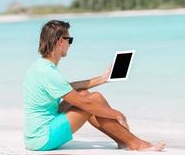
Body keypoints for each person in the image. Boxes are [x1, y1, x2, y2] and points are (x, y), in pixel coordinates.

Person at [23, 20, 165, 151]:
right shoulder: (48, 72)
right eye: (69, 40)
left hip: (36, 135)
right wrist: (118, 114)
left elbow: (68, 87)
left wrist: (102, 79)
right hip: (42, 138)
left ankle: (122, 141)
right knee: (94, 99)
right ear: (60, 41)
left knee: (84, 93)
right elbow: (84, 104)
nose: (70, 44)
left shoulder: (40, 66)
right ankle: (135, 143)